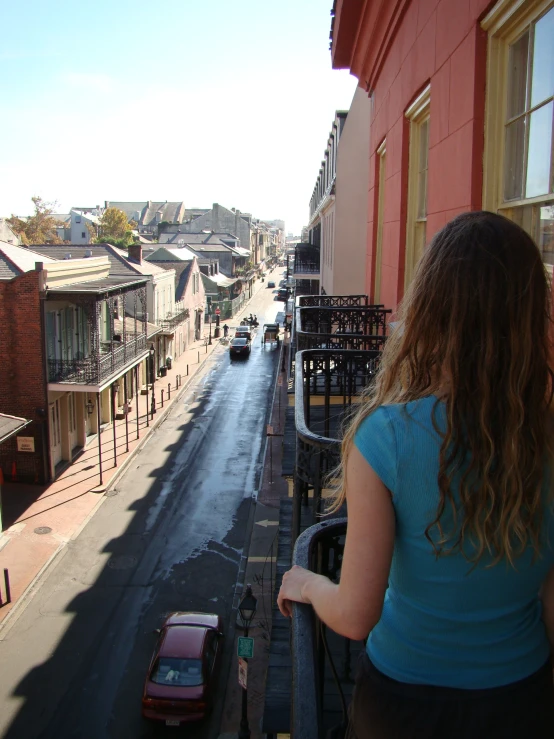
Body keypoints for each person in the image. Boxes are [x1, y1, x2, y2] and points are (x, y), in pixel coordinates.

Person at [278, 211, 554, 738]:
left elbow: (356, 616)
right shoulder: (545, 436)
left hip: (405, 706)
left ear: (430, 309)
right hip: (523, 699)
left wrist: (308, 583)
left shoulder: (386, 437)